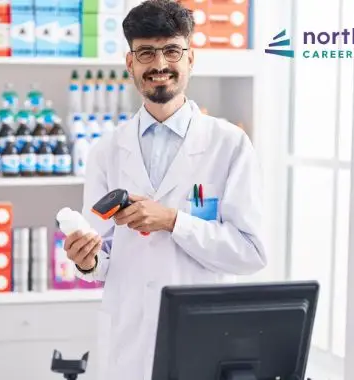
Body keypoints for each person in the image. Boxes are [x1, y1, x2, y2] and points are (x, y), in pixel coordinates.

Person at [62, 0, 267, 379]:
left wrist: (174, 221)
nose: (159, 65)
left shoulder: (229, 144)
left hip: (202, 337)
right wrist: (86, 260)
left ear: (191, 58)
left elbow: (251, 254)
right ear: (130, 63)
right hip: (130, 341)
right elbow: (103, 258)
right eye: (145, 53)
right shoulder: (106, 150)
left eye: (172, 50)